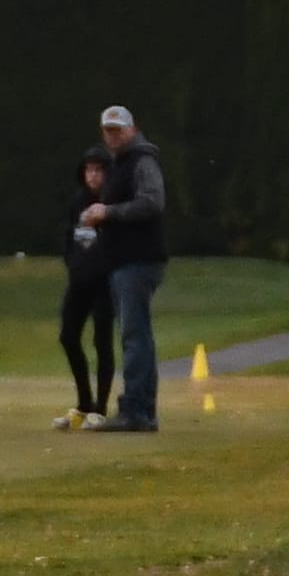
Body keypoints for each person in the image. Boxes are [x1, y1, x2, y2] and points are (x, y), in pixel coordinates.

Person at [82, 104, 167, 433]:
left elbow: (152, 202)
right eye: (108, 130)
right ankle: (143, 410)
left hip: (138, 260)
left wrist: (108, 212)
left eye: (118, 129)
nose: (112, 135)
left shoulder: (142, 160)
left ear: (132, 129)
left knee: (134, 336)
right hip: (126, 260)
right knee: (139, 335)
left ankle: (135, 410)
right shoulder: (121, 163)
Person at [52, 145, 114, 431]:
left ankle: (100, 408)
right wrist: (73, 263)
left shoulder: (113, 202)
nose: (93, 176)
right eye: (89, 170)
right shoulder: (78, 201)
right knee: (68, 336)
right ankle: (83, 402)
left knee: (102, 342)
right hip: (79, 281)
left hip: (105, 283)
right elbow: (69, 236)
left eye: (99, 170)